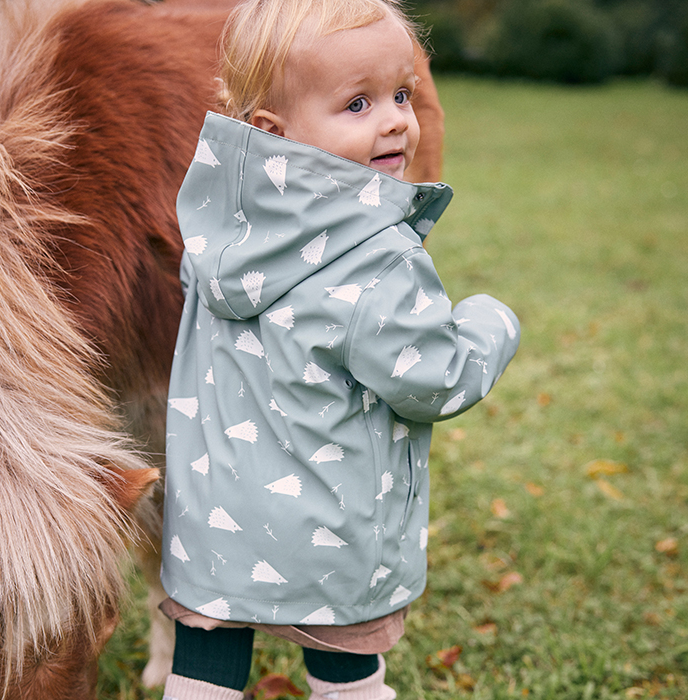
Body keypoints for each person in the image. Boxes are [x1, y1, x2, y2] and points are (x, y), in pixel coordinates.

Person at [160, 1, 520, 698]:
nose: (395, 120)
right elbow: (436, 378)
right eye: (358, 103)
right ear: (274, 130)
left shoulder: (216, 228)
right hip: (331, 536)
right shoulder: (377, 258)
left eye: (401, 94)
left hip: (214, 527)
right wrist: (489, 320)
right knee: (347, 668)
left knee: (204, 668)